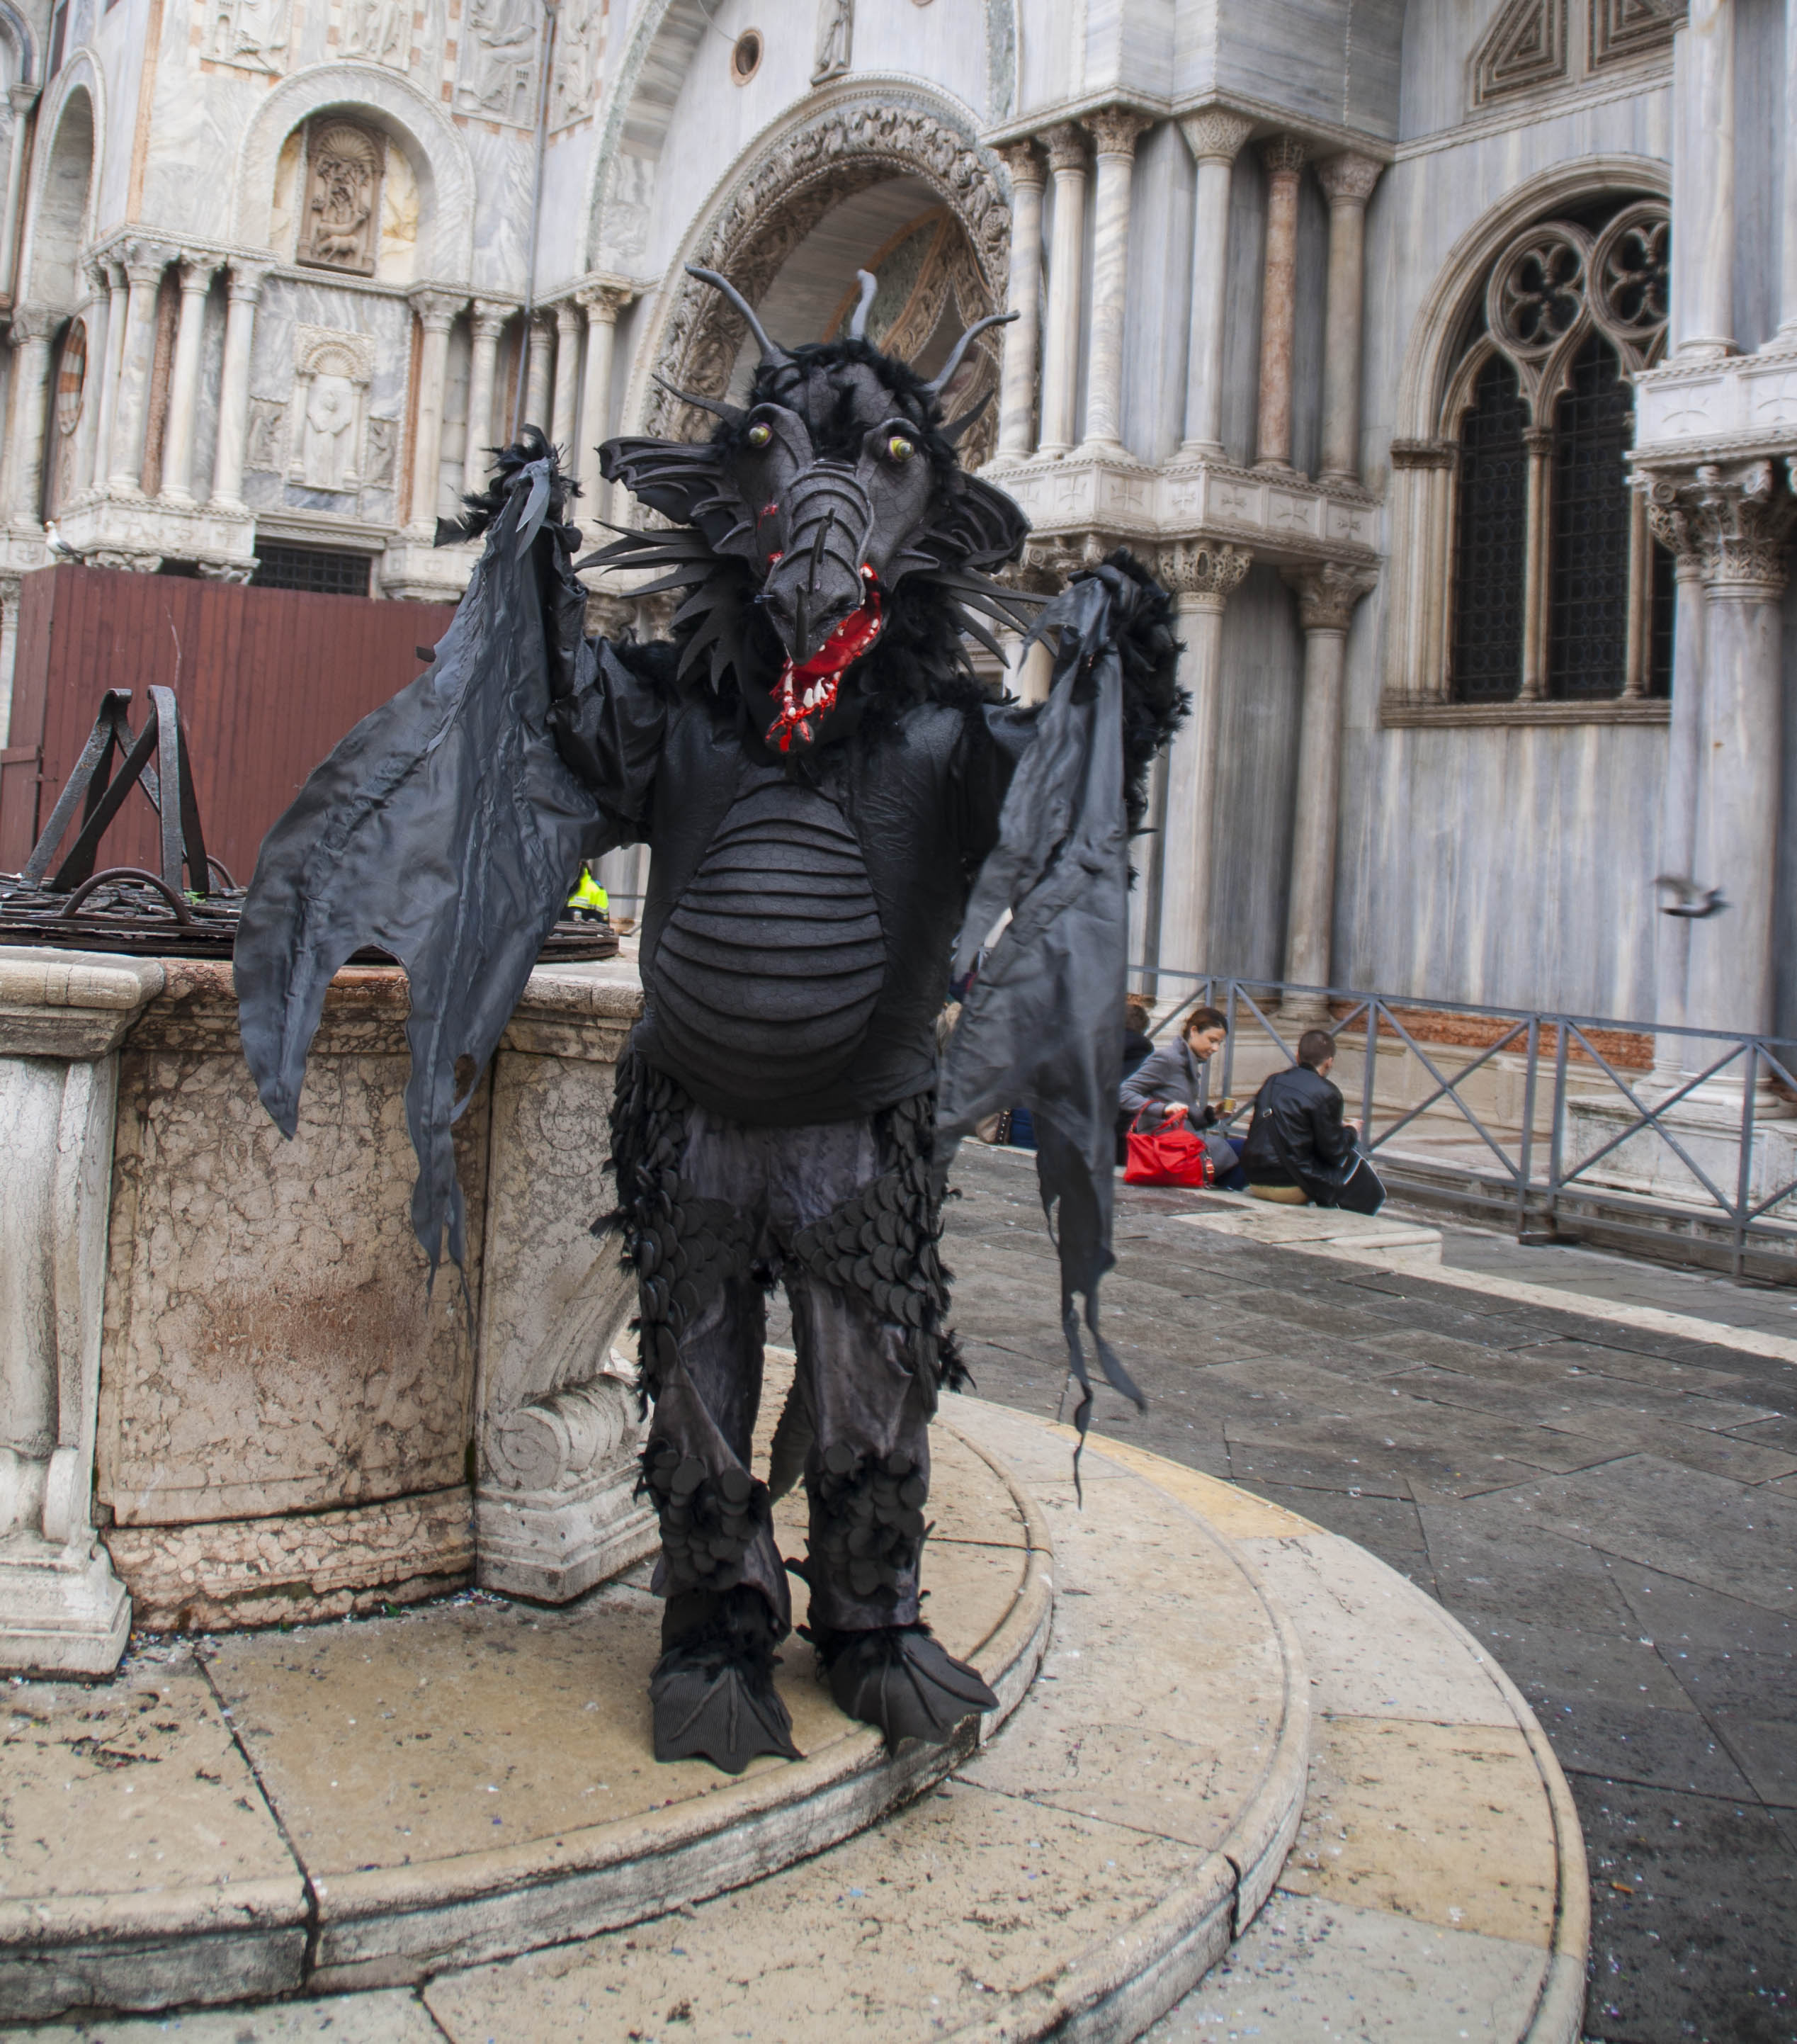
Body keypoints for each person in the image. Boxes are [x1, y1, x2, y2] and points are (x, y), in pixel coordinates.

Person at [1241, 1029, 1383, 1213]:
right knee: (1353, 1165)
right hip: (1291, 1185)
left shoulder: (1272, 1082)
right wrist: (1351, 1131)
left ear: (1297, 1055)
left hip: (1255, 1179)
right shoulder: (1327, 1092)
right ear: (1329, 1062)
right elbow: (1334, 1151)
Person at [1118, 1005, 1248, 1190]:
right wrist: (1162, 1109)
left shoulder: (1188, 1063)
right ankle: (1222, 1190)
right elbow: (1123, 1092)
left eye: (1219, 1043)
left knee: (1241, 1154)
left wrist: (1212, 1116)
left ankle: (1221, 1189)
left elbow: (1187, 1112)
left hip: (1183, 1145)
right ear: (1194, 1031)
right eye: (1212, 1040)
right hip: (1168, 1149)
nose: (1216, 1048)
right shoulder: (1167, 1059)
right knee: (1248, 1151)